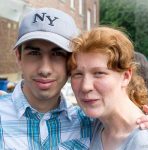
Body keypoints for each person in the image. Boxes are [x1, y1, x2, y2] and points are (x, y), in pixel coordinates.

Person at [0, 8, 92, 149]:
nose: (45, 69)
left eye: (57, 54)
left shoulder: (90, 123)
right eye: (34, 53)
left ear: (72, 60)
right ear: (18, 56)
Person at [68, 26, 148, 150]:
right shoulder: (95, 124)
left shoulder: (142, 142)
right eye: (78, 74)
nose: (85, 86)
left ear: (126, 77)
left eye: (99, 73)